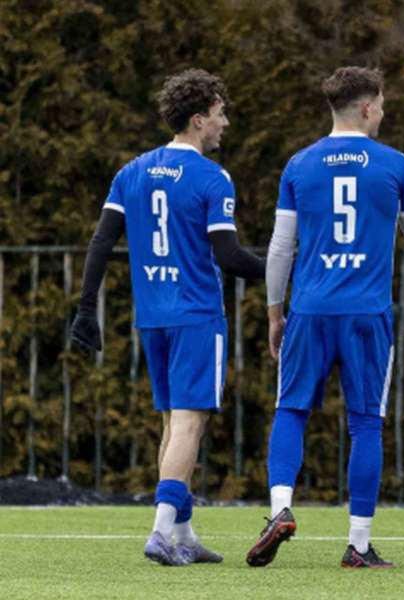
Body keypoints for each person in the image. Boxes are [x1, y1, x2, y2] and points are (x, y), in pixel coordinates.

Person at [246, 66, 404, 569]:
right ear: (367, 107)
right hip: (367, 314)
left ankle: (281, 509)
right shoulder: (394, 165)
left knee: (292, 410)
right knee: (366, 423)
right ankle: (359, 544)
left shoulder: (300, 165)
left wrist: (274, 313)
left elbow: (282, 248)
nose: (384, 112)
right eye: (382, 104)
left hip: (309, 309)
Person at [70, 69, 266, 566]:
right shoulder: (211, 178)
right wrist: (288, 269)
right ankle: (160, 532)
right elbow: (230, 257)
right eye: (220, 114)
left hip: (153, 315)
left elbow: (100, 242)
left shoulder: (133, 170)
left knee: (174, 423)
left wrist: (85, 307)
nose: (225, 123)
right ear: (199, 120)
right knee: (189, 421)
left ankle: (182, 532)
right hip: (196, 314)